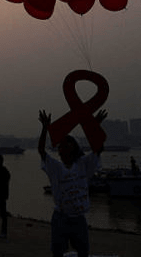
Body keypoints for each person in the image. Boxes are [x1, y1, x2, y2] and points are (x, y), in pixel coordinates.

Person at [38, 109, 106, 257]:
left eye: (66, 144)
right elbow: (41, 151)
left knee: (83, 252)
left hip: (79, 218)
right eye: (61, 146)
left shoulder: (83, 165)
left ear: (74, 147)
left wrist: (95, 126)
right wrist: (45, 128)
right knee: (58, 252)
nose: (62, 148)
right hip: (60, 217)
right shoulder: (56, 168)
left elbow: (98, 149)